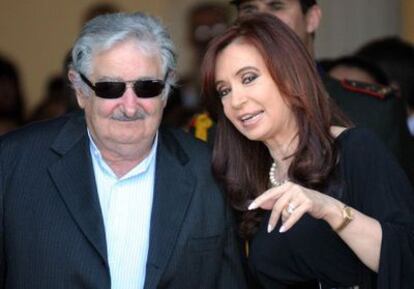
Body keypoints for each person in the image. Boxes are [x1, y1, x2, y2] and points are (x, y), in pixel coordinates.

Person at [0, 12, 247, 289]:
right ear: (80, 91)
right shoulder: (12, 164)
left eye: (147, 87)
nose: (130, 107)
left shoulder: (209, 171)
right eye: (110, 88)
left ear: (166, 89)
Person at [201, 14, 414, 289]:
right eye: (224, 91)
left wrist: (331, 210)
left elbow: (406, 260)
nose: (237, 101)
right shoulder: (242, 178)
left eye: (249, 78)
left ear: (290, 75)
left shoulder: (355, 149)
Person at [226, 0, 409, 168]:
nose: (262, 19)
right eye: (249, 9)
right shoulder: (229, 113)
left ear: (311, 18)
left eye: (276, 6)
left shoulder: (373, 109)